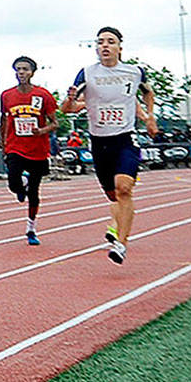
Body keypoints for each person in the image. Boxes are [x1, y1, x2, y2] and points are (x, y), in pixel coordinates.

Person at [60, 26, 157, 265]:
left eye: (110, 42)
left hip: (125, 138)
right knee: (113, 196)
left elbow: (148, 93)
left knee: (124, 188)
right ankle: (115, 224)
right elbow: (67, 109)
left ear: (119, 48)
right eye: (100, 42)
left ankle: (121, 244)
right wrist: (70, 99)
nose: (104, 46)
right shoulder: (86, 73)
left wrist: (150, 116)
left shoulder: (135, 72)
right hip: (99, 142)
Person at [0, 56, 58, 245]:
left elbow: (54, 123)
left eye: (25, 69)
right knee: (13, 182)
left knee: (34, 192)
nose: (21, 72)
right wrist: (3, 143)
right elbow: (4, 119)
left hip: (37, 150)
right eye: (18, 69)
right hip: (15, 146)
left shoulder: (43, 95)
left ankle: (31, 228)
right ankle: (20, 184)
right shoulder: (7, 95)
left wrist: (42, 131)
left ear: (32, 72)